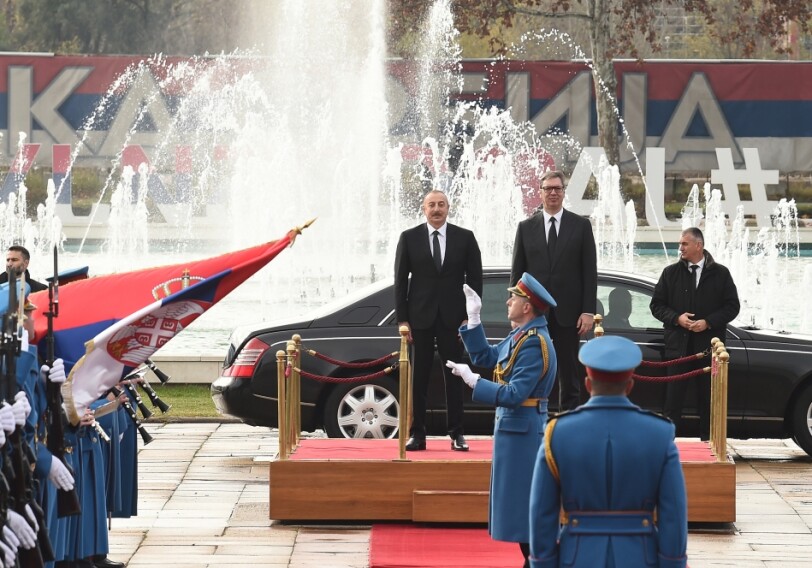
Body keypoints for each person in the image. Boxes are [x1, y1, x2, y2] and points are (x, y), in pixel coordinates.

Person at [529, 335, 688, 568]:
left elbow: (541, 512)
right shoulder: (659, 433)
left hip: (576, 556)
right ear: (631, 385)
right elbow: (673, 512)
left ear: (587, 384)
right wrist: (672, 563)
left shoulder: (558, 432)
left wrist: (543, 563)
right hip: (640, 557)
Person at [446, 272, 557, 567]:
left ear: (527, 306)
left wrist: (474, 383)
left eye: (514, 298)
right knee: (522, 514)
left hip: (523, 433)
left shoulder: (534, 342)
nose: (508, 301)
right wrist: (474, 321)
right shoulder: (521, 334)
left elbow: (515, 394)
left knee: (526, 514)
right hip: (514, 432)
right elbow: (486, 357)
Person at [394, 189, 482, 451]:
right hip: (419, 319)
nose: (436, 209)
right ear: (424, 209)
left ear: (448, 208)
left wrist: (469, 317)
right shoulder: (409, 238)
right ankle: (417, 434)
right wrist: (403, 319)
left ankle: (457, 433)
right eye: (431, 205)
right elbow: (400, 281)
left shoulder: (465, 238)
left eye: (441, 204)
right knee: (418, 378)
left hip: (453, 320)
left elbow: (475, 280)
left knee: (454, 375)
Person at [510, 170, 597, 411]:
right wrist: (516, 314)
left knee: (568, 373)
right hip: (534, 315)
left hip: (569, 314)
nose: (553, 193)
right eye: (548, 188)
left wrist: (588, 311)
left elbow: (589, 272)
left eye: (557, 188)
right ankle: (537, 419)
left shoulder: (580, 226)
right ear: (540, 192)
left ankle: (567, 421)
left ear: (563, 192)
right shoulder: (526, 227)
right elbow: (517, 274)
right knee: (534, 369)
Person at [650, 227, 740, 440]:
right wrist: (676, 318)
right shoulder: (670, 273)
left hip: (709, 350)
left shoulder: (721, 273)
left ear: (698, 245)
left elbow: (732, 306)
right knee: (672, 403)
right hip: (677, 349)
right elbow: (656, 305)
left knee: (709, 402)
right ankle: (666, 446)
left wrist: (708, 322)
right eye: (680, 243)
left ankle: (709, 446)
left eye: (684, 243)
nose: (680, 247)